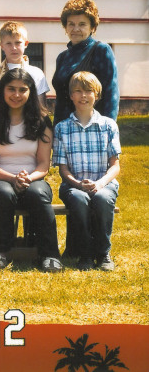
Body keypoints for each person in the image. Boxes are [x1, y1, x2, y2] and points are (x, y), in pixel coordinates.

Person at [0, 69, 61, 272]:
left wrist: (28, 179)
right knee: (3, 193)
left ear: (30, 92)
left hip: (34, 179)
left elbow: (43, 164)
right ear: (2, 91)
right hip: (0, 179)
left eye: (22, 90)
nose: (16, 95)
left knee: (37, 193)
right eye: (11, 89)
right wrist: (13, 178)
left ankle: (50, 255)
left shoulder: (42, 121)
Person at [54, 71, 121, 271]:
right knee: (79, 199)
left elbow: (115, 165)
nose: (83, 95)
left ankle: (103, 253)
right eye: (77, 91)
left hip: (104, 184)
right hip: (73, 185)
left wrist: (100, 184)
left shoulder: (108, 126)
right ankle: (85, 253)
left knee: (102, 199)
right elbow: (63, 169)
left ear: (97, 95)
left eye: (88, 91)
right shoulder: (62, 128)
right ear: (71, 96)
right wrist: (77, 184)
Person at [52, 0, 119, 126]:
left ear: (92, 27)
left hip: (91, 127)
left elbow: (111, 94)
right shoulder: (62, 57)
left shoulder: (101, 50)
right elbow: (60, 99)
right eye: (71, 24)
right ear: (65, 27)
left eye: (82, 24)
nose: (75, 29)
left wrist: (108, 129)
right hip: (64, 128)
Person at [0, 21, 49, 118]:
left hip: (28, 122)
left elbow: (41, 107)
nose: (13, 48)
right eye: (8, 43)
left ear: (26, 43)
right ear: (2, 46)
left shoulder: (36, 73)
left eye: (18, 43)